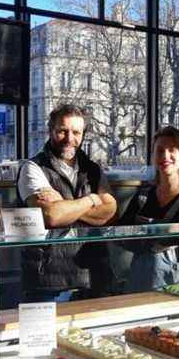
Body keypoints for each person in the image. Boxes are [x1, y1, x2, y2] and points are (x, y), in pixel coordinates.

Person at [16, 104, 117, 302]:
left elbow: (110, 212)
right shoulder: (32, 168)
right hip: (48, 281)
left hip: (93, 275)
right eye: (63, 131)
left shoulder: (93, 169)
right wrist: (91, 200)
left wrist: (64, 205)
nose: (70, 139)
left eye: (76, 132)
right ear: (51, 131)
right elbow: (51, 216)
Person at [119, 126, 179, 292]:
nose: (165, 156)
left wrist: (142, 233)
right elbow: (121, 233)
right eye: (159, 150)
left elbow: (178, 236)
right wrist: (156, 236)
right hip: (139, 279)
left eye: (172, 150)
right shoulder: (144, 194)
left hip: (177, 286)